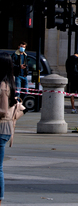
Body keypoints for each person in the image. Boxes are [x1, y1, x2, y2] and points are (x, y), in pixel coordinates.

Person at [0, 53, 26, 204]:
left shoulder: (3, 86)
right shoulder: (9, 82)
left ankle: (0, 199)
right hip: (5, 128)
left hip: (1, 128)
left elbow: (3, 111)